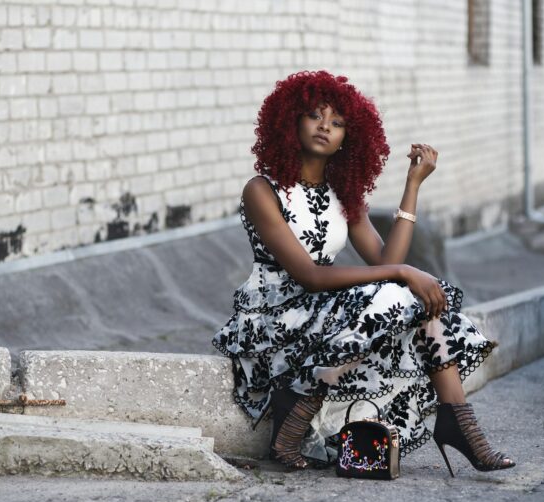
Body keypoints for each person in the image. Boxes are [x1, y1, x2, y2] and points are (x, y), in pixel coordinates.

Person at [211, 70, 516, 475]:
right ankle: (300, 413)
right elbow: (310, 277)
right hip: (273, 318)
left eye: (337, 123)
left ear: (348, 140)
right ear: (290, 122)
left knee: (410, 297)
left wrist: (412, 186)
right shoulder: (261, 190)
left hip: (324, 314)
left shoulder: (344, 197)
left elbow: (385, 259)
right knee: (397, 291)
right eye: (315, 117)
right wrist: (405, 272)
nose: (325, 127)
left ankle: (457, 420)